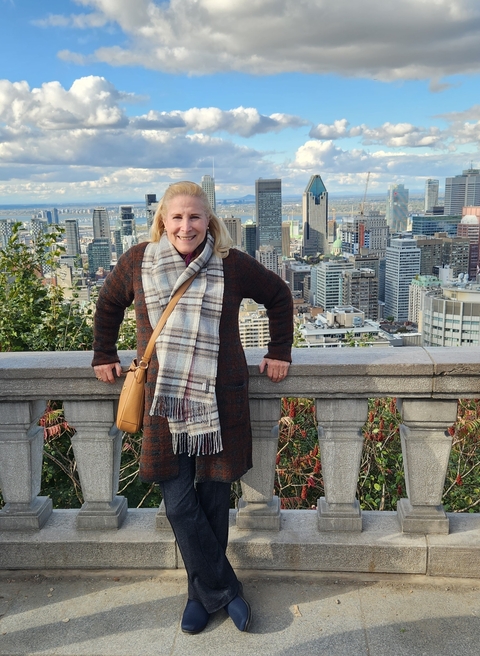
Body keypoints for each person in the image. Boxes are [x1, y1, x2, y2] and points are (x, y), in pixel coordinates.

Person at [92, 181, 293, 634]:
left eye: (195, 217)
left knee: (214, 498)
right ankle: (225, 590)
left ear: (209, 221)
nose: (186, 226)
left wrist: (280, 350)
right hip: (162, 401)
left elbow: (280, 296)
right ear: (163, 219)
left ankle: (197, 598)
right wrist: (104, 354)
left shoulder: (231, 265)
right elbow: (107, 305)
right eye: (177, 217)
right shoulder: (138, 262)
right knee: (180, 503)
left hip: (220, 400)